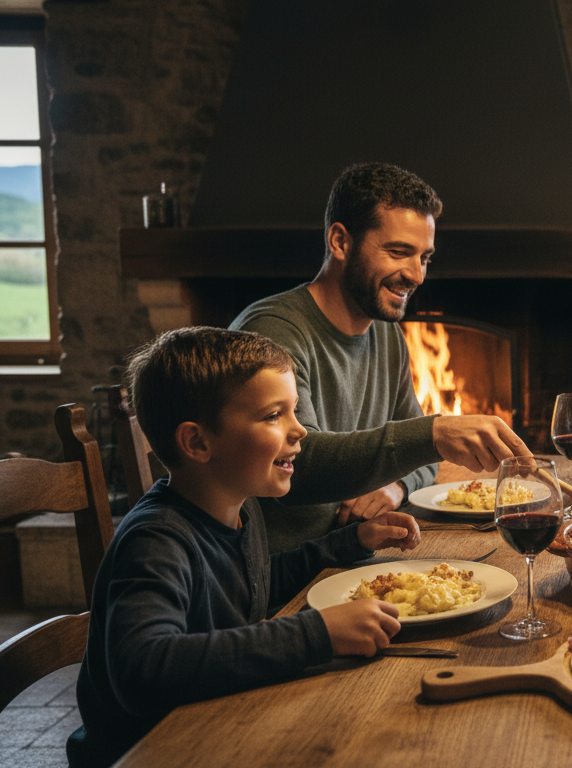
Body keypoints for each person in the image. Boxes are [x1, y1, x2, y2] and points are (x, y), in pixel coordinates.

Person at [67, 327, 418, 768]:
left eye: (294, 411)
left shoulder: (240, 508)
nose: (300, 430)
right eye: (274, 415)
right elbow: (143, 671)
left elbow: (254, 582)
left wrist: (351, 542)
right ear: (197, 442)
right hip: (157, 752)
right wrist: (317, 633)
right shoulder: (155, 540)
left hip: (220, 722)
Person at [231, 162, 530, 552]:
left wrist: (396, 485)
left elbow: (422, 458)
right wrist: (434, 432)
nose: (417, 275)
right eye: (399, 252)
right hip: (287, 578)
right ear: (340, 242)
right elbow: (294, 465)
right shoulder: (273, 331)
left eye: (424, 257)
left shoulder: (385, 333)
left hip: (356, 554)